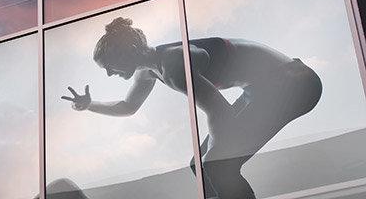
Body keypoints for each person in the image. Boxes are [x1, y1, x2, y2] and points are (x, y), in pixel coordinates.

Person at [61, 17, 322, 199]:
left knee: (216, 166)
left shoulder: (173, 64)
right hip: (266, 88)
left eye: (110, 65)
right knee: (201, 165)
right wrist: (89, 105)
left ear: (129, 49)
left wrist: (217, 156)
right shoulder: (149, 71)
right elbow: (128, 106)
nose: (108, 74)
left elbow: (219, 112)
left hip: (293, 84)